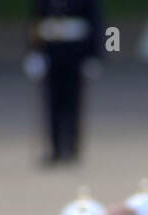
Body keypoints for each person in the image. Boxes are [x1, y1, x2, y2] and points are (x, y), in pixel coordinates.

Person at [26, 0, 103, 165]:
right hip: (51, 52)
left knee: (73, 102)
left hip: (76, 52)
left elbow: (95, 23)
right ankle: (55, 149)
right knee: (52, 103)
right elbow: (35, 22)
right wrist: (33, 52)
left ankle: (72, 148)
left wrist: (94, 56)